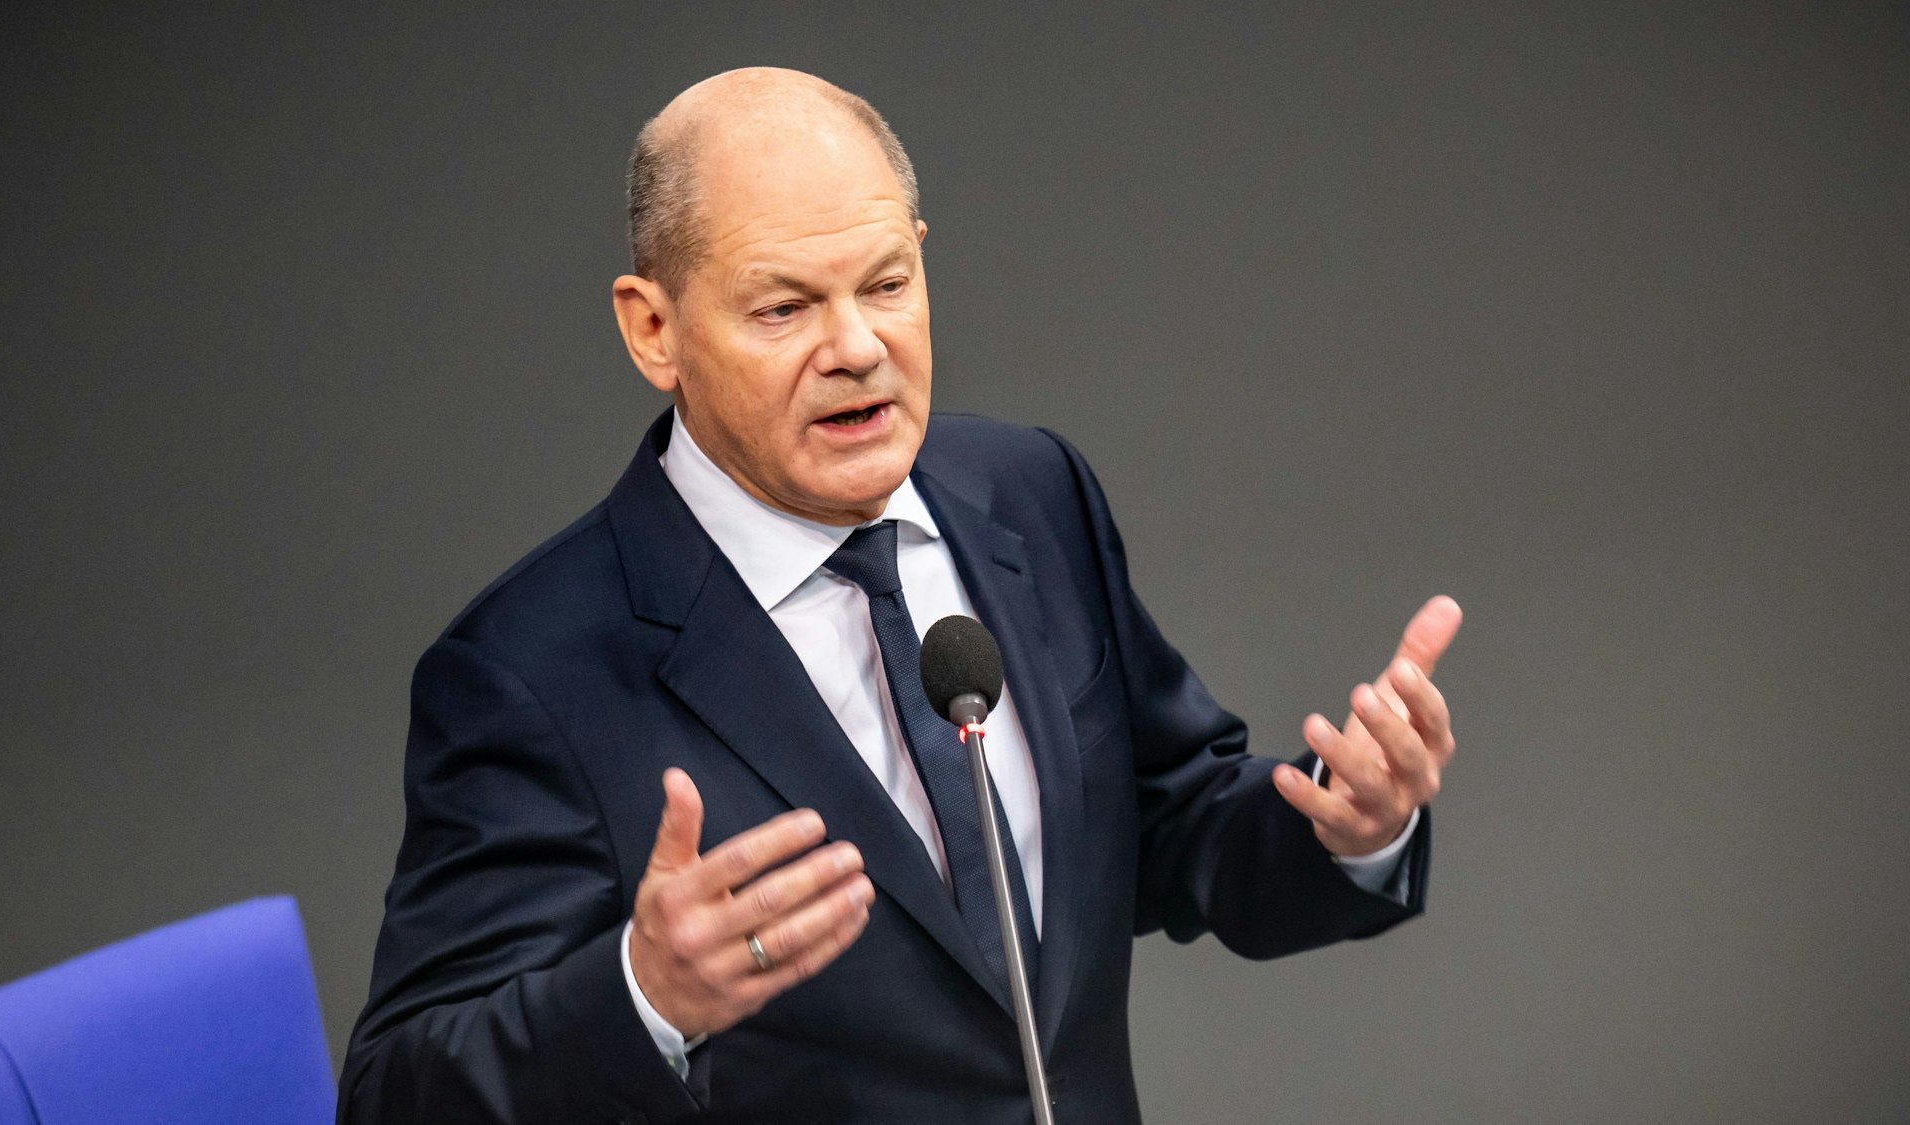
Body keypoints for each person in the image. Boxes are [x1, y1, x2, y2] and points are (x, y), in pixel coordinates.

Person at [339, 67, 1461, 1125]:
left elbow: (1170, 821)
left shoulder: (1029, 493)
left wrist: (1346, 821)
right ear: (654, 329)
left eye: (885, 285)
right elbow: (397, 1090)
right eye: (783, 309)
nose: (857, 346)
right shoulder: (532, 669)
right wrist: (642, 997)